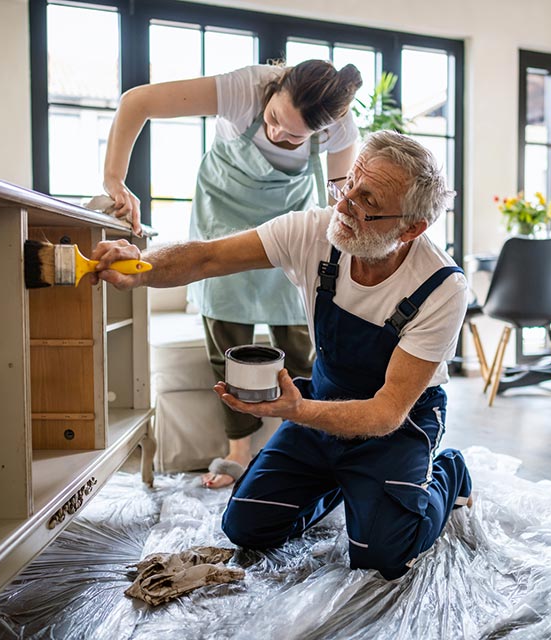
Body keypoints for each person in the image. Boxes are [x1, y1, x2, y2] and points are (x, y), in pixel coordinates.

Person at [92, 130, 472, 580]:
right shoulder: (316, 232)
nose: (345, 203)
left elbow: (387, 412)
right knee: (247, 527)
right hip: (324, 401)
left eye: (366, 199)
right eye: (347, 183)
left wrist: (297, 410)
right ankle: (343, 483)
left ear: (411, 228)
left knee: (383, 557)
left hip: (398, 424)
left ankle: (450, 471)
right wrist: (141, 267)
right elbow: (208, 258)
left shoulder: (441, 288)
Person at [103, 60, 363, 488]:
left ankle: (299, 449)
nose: (279, 134)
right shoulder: (244, 89)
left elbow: (338, 204)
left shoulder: (340, 128)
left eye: (296, 136)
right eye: (275, 118)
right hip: (222, 215)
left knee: (301, 346)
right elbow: (138, 102)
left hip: (287, 224)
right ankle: (238, 450)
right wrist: (115, 180)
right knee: (229, 341)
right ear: (274, 89)